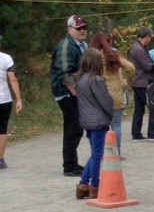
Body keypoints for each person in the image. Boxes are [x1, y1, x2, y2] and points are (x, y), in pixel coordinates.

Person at [50, 14, 88, 175]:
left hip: (76, 91)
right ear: (69, 29)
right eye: (78, 28)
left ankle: (72, 163)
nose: (82, 30)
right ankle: (69, 165)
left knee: (76, 128)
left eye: (84, 27)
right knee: (73, 128)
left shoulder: (81, 45)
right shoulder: (66, 45)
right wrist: (75, 94)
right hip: (67, 93)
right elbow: (64, 73)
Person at [73, 48, 113, 199]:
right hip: (98, 120)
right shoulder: (96, 80)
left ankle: (83, 184)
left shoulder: (81, 79)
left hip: (87, 120)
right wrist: (111, 114)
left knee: (95, 152)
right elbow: (105, 100)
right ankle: (94, 185)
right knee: (98, 154)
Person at [88, 31, 135, 159]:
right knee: (116, 124)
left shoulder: (92, 57)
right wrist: (127, 81)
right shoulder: (113, 55)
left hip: (99, 94)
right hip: (115, 93)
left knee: (101, 126)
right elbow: (131, 67)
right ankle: (116, 153)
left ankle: (101, 152)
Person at [128, 25, 154, 140]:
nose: (149, 40)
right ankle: (152, 133)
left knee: (139, 108)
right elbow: (147, 66)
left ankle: (136, 133)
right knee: (152, 106)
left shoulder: (138, 47)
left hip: (137, 82)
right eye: (149, 38)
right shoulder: (138, 49)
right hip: (142, 83)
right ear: (146, 37)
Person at [0, 35, 23, 169]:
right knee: (2, 128)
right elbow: (12, 79)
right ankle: (0, 159)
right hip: (4, 99)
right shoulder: (6, 58)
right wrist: (18, 99)